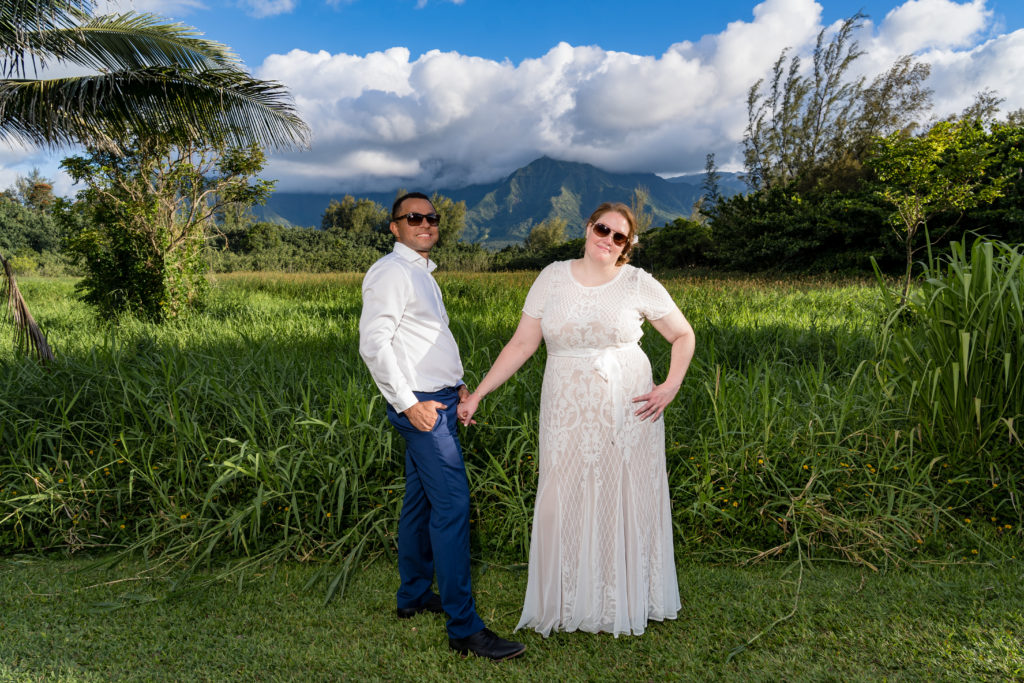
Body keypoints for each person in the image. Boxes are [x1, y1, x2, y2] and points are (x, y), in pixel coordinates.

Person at [458, 202, 695, 637]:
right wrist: (479, 393)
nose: (608, 239)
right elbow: (522, 344)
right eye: (603, 228)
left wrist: (671, 385)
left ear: (627, 246)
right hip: (566, 406)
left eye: (619, 236)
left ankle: (625, 597)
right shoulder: (551, 277)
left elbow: (683, 334)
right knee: (563, 488)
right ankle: (568, 600)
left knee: (625, 491)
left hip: (629, 409)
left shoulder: (638, 283)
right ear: (588, 228)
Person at [359, 192, 526, 661]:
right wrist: (410, 404)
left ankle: (412, 594)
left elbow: (418, 341)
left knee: (420, 502)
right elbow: (374, 344)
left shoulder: (420, 274)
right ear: (394, 227)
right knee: (453, 505)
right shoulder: (391, 273)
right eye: (414, 218)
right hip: (423, 408)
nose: (426, 223)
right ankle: (464, 628)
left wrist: (456, 385)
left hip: (440, 399)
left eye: (432, 218)